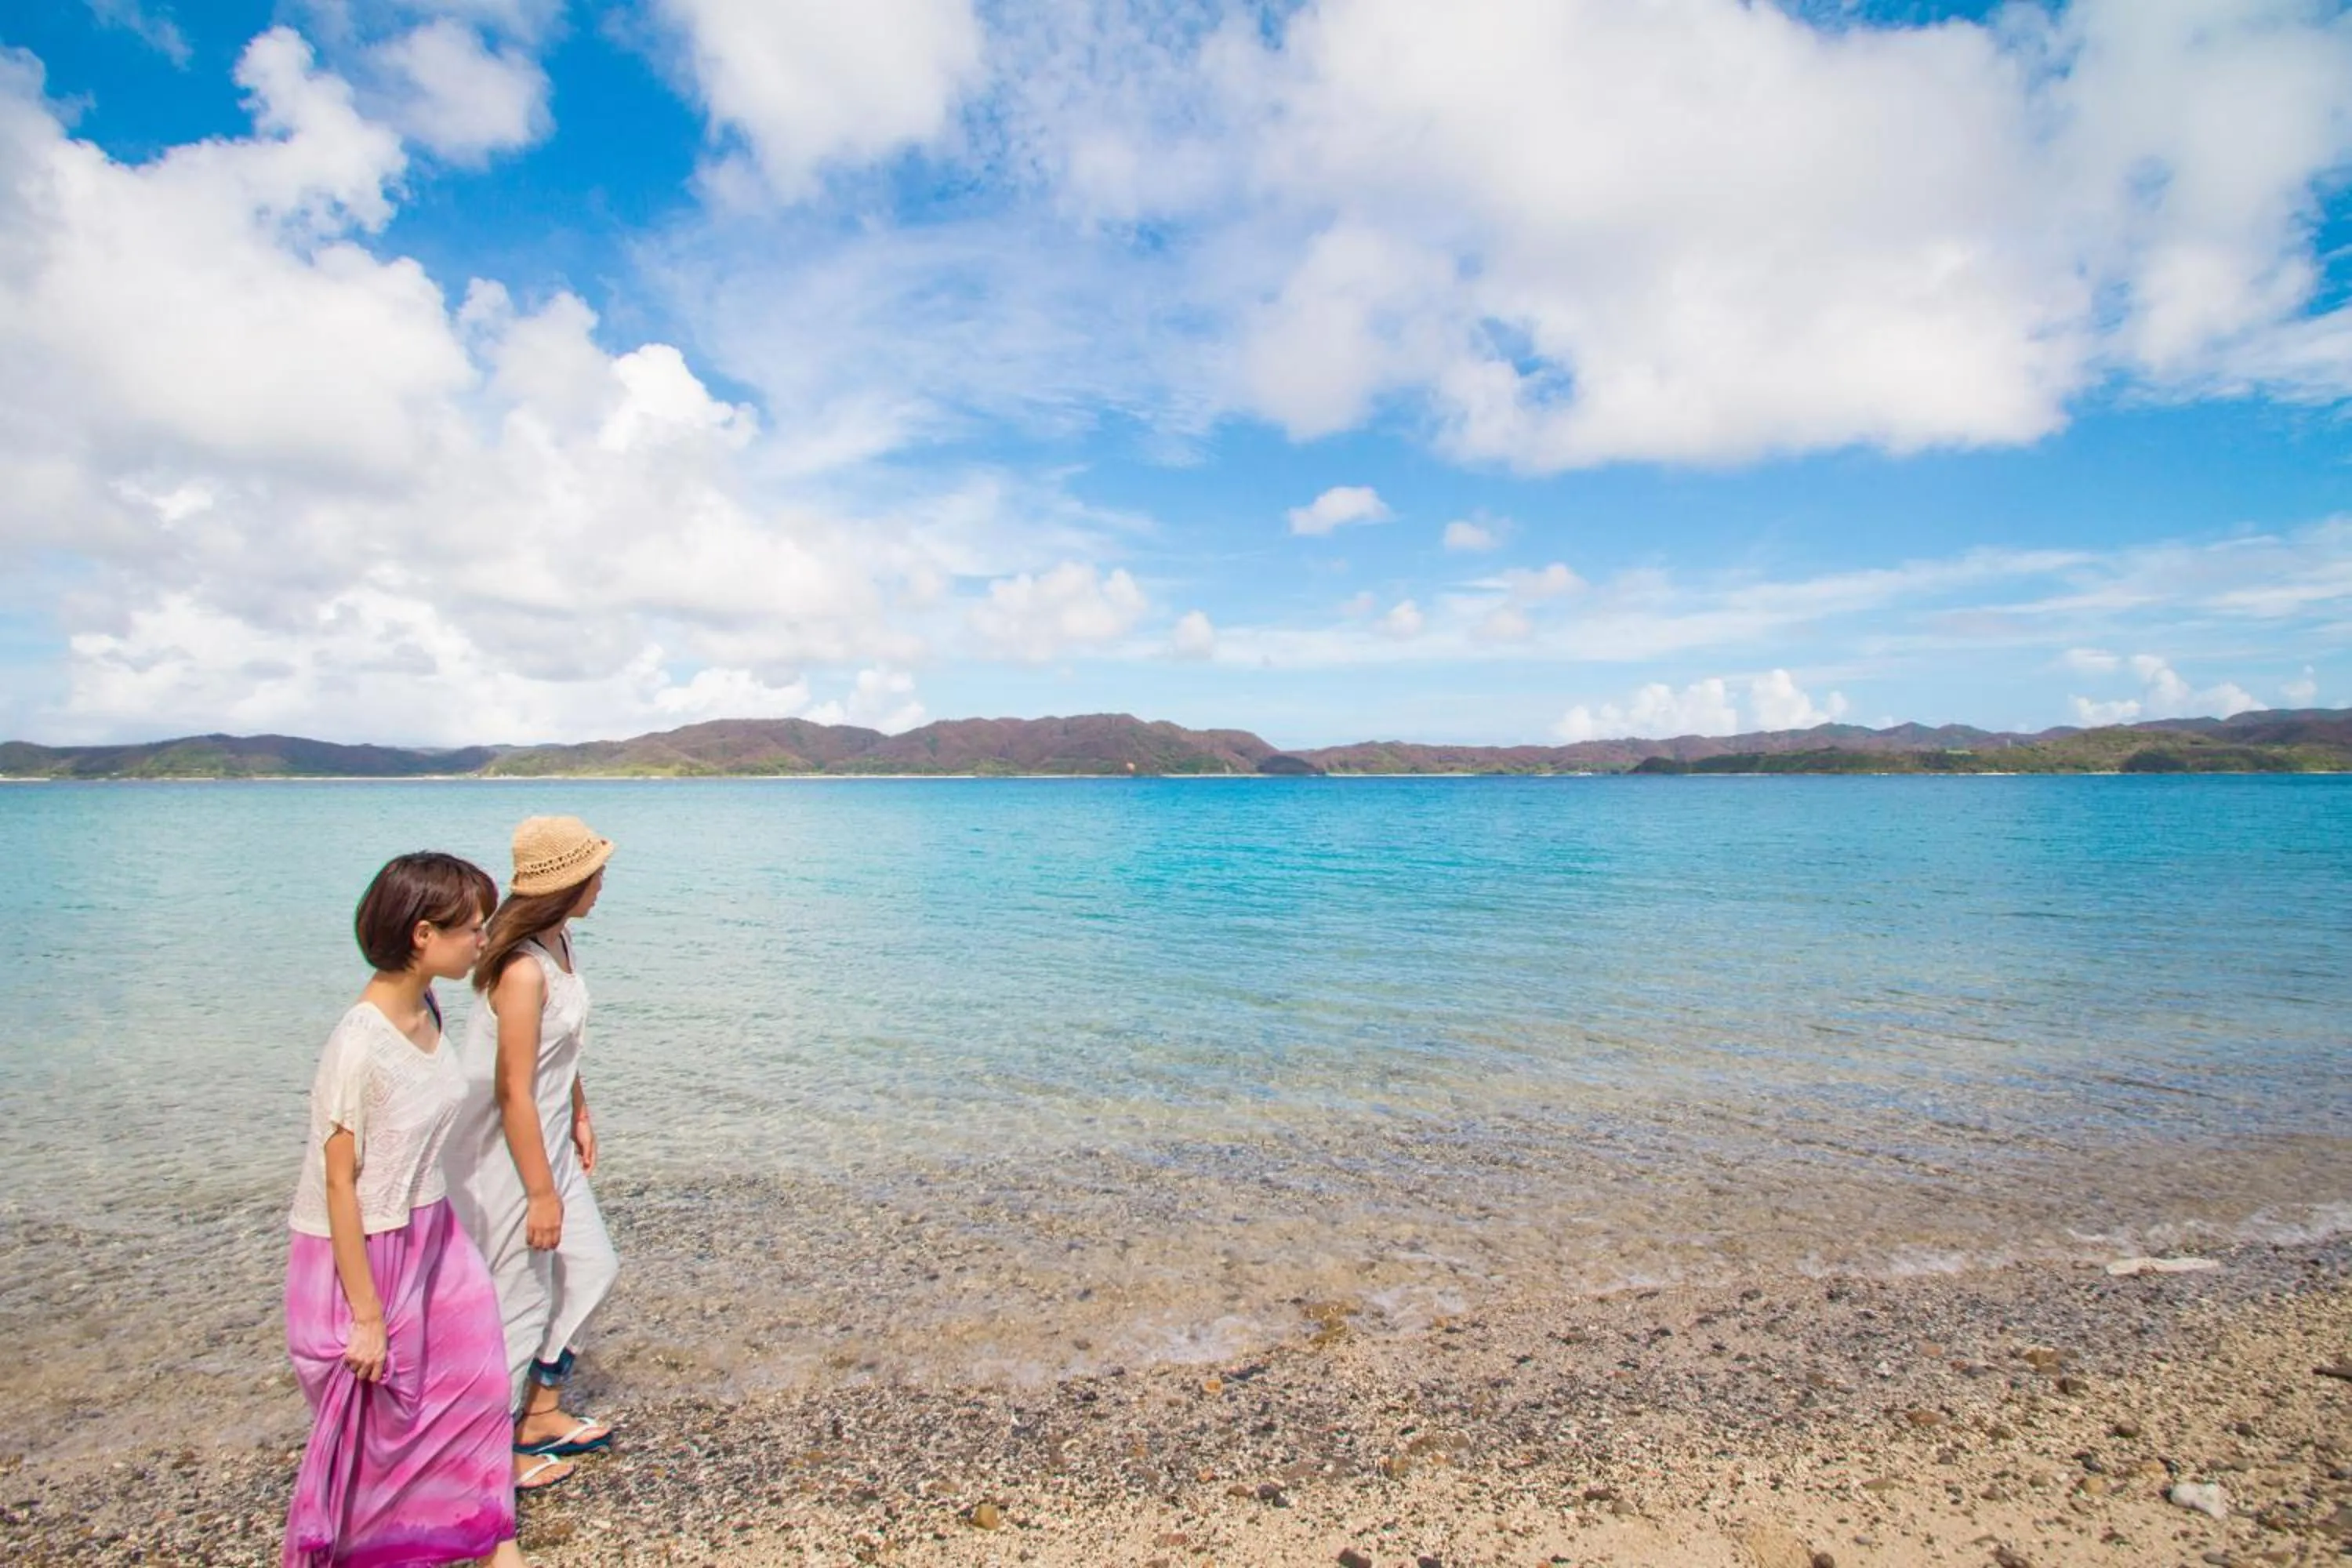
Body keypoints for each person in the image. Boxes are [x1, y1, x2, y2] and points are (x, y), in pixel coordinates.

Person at [284, 852, 539, 1568]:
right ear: (423, 934)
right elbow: (340, 1188)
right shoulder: (357, 1045)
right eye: (474, 929)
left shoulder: (428, 1004)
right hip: (363, 1252)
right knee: (383, 1432)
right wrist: (366, 1315)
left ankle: (495, 1544)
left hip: (435, 1234)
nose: (485, 940)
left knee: (480, 1386)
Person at [445, 815, 622, 1479]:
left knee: (592, 1267)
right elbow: (512, 1088)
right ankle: (488, 1466)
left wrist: (579, 1109)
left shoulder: (559, 940)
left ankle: (541, 1411)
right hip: (509, 1158)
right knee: (518, 1301)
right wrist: (540, 1194)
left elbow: (557, 1047)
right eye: (596, 872)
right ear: (567, 883)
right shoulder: (521, 969)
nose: (604, 882)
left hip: (549, 1139)